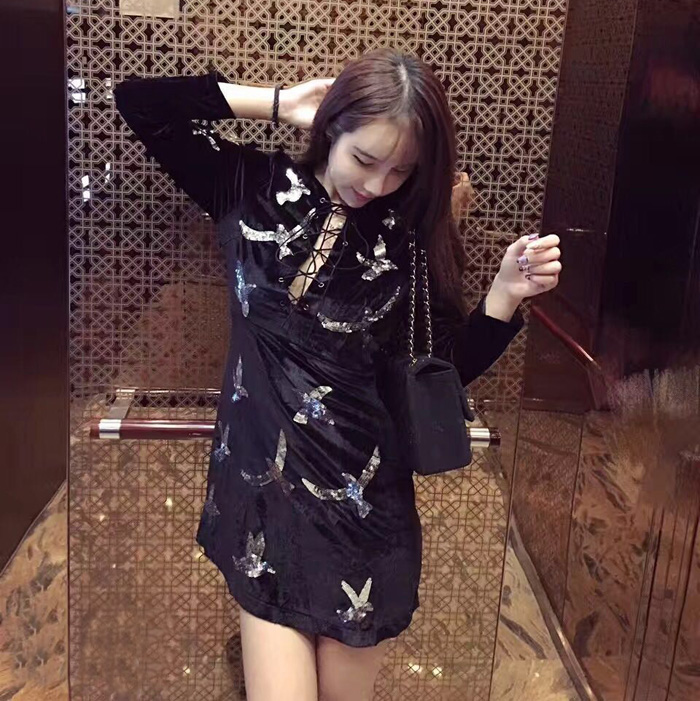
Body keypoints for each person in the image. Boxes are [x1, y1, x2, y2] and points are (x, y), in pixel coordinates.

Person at [114, 48, 561, 701]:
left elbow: (443, 370)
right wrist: (276, 102)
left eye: (401, 170)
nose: (377, 185)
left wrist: (504, 294)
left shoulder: (411, 236)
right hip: (265, 501)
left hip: (365, 513)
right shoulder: (249, 186)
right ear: (331, 129)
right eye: (365, 158)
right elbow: (139, 103)